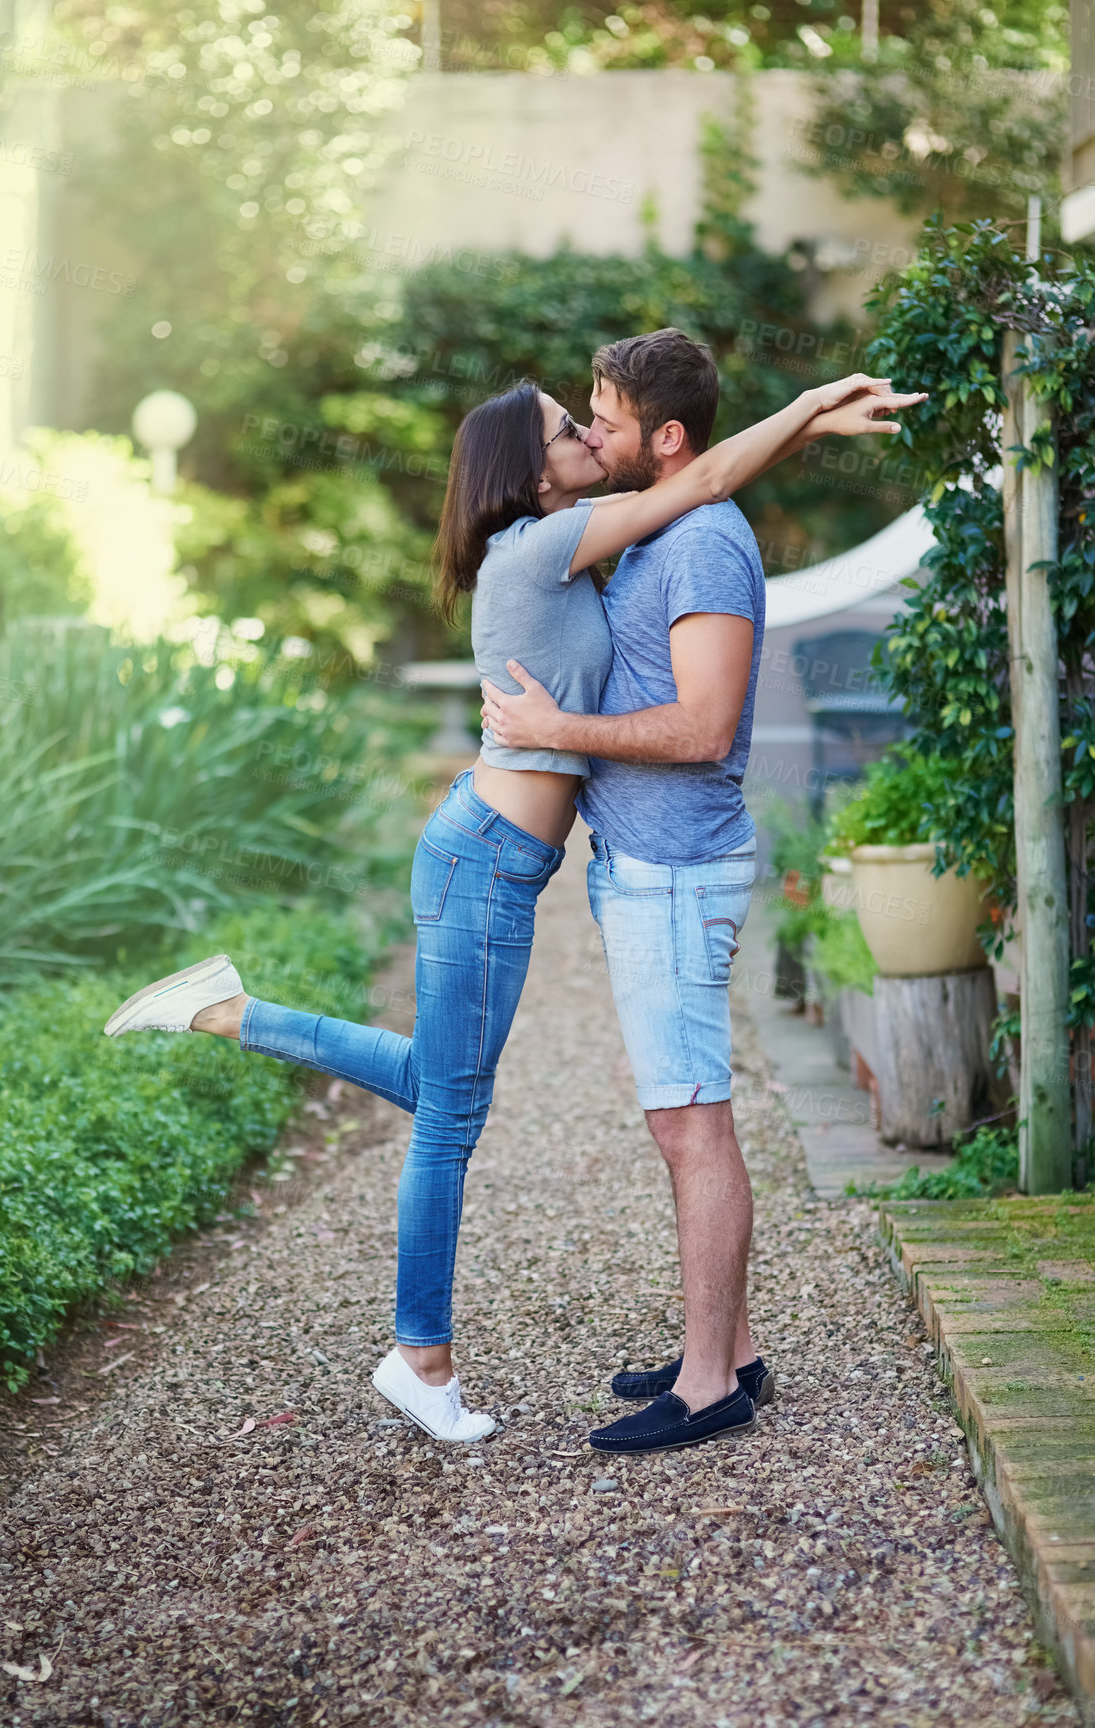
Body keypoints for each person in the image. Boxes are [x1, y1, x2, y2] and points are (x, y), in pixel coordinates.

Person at [103, 352, 923, 1445]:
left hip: (494, 856)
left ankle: (231, 1012)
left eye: (592, 422)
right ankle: (418, 1356)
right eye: (564, 432)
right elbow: (703, 479)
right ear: (524, 474)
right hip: (481, 857)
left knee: (439, 1089)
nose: (586, 438)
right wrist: (812, 413)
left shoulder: (576, 539)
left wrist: (810, 415)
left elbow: (702, 473)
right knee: (447, 1119)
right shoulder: (538, 550)